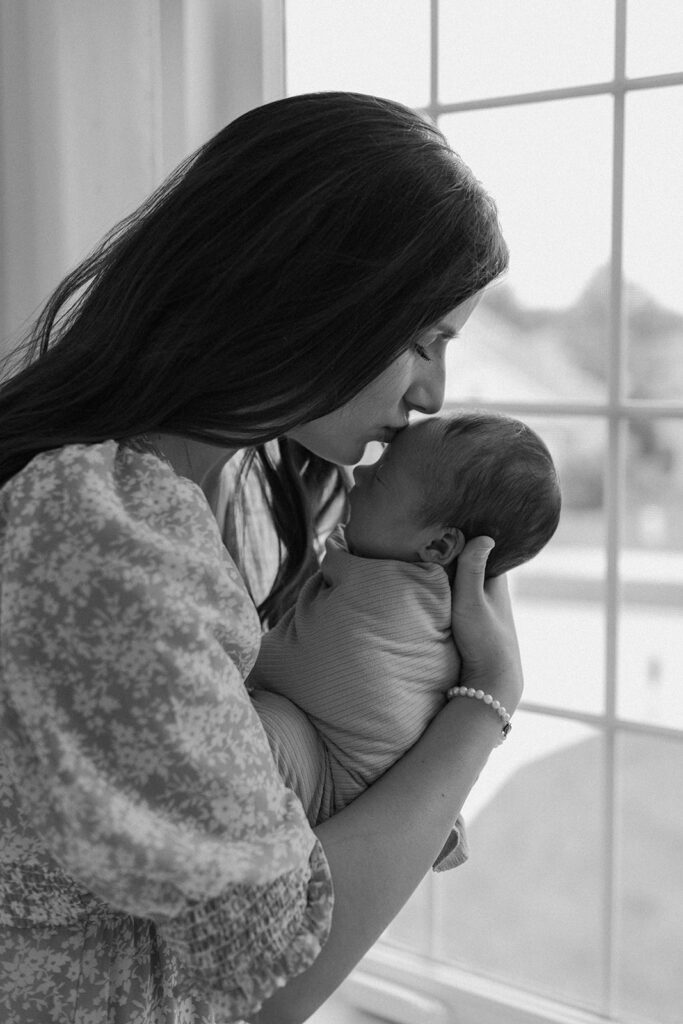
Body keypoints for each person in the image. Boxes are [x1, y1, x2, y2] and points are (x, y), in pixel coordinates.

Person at [0, 92, 523, 1024]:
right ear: (308, 295)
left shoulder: (241, 495)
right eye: (420, 341)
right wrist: (485, 704)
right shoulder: (102, 545)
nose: (433, 395)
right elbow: (274, 982)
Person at [248, 412, 560, 863]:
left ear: (437, 547)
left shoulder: (386, 598)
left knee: (255, 725)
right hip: (377, 788)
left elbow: (295, 664)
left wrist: (241, 657)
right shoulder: (430, 589)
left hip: (328, 781)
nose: (360, 471)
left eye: (381, 479)